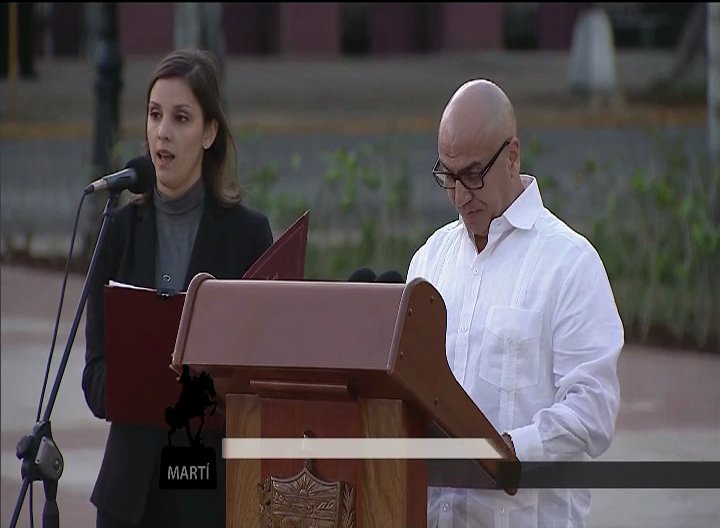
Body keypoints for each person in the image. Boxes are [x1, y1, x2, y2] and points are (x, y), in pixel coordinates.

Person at [407, 79, 623, 528]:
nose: (460, 195)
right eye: (447, 176)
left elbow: (592, 409)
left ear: (512, 155)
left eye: (472, 174)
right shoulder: (431, 259)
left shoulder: (568, 263)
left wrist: (505, 452)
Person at [82, 48, 274, 528]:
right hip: (128, 492)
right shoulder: (117, 230)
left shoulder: (248, 235)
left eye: (181, 117)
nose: (162, 131)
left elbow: (266, 377)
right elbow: (94, 376)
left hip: (206, 488)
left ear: (209, 133)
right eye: (154, 115)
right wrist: (138, 384)